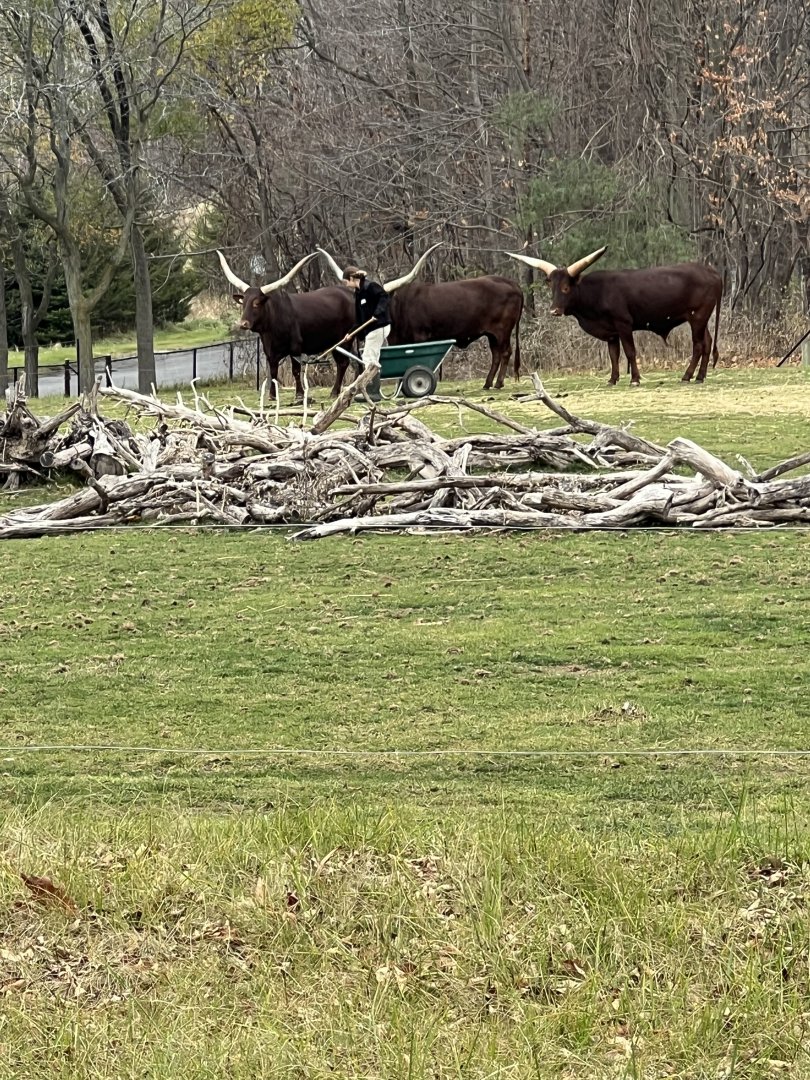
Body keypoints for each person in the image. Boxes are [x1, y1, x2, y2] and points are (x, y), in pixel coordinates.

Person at [339, 265, 390, 402]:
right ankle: (370, 390)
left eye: (346, 281)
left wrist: (377, 313)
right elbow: (359, 320)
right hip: (371, 329)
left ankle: (373, 392)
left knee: (369, 357)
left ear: (351, 278)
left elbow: (384, 297)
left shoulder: (370, 286)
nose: (345, 284)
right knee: (369, 357)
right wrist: (350, 333)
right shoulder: (358, 294)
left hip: (379, 326)